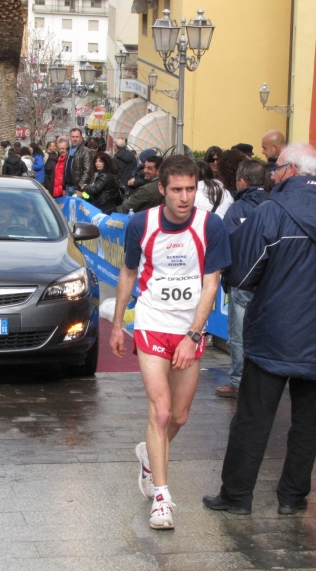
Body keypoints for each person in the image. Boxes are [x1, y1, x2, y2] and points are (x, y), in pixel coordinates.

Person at [203, 143, 316, 516]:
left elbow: (242, 273)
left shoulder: (271, 213)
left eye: (276, 168)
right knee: (307, 422)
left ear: (290, 171)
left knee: (254, 418)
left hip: (273, 330)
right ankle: (293, 497)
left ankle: (237, 495)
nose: (271, 173)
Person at [110, 155, 231, 530]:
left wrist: (193, 335)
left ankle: (150, 454)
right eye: (176, 189)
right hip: (150, 323)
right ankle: (162, 497)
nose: (184, 197)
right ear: (161, 189)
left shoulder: (210, 226)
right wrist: (117, 324)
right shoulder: (140, 224)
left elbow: (211, 285)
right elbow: (129, 273)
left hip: (188, 329)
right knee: (160, 412)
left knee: (179, 416)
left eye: (190, 189)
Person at [215, 160, 269, 399]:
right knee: (265, 335)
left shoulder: (237, 209)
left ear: (242, 182)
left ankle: (238, 381)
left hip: (242, 281)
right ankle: (264, 383)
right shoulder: (274, 206)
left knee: (238, 336)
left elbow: (226, 244)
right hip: (270, 283)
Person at [63, 128, 93, 196]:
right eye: (73, 137)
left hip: (77, 188)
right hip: (67, 187)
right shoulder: (67, 151)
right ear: (70, 137)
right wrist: (63, 186)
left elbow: (87, 171)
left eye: (77, 137)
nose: (75, 139)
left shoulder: (86, 152)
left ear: (81, 138)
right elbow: (65, 169)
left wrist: (80, 188)